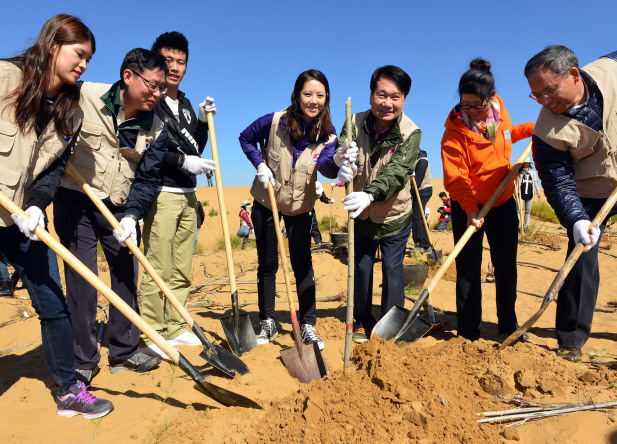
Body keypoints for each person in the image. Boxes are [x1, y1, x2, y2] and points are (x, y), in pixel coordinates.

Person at [0, 14, 113, 418]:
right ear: (53, 46)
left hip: (20, 220)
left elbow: (49, 173)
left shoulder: (72, 112)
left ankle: (69, 389)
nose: (84, 64)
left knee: (53, 302)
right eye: (78, 54)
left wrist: (35, 205)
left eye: (89, 59)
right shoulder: (5, 79)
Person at [524, 42, 617, 359]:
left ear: (575, 75)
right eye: (536, 95)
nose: (544, 100)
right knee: (580, 261)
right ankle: (571, 341)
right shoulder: (546, 131)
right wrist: (576, 219)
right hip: (590, 196)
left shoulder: (612, 70)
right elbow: (556, 180)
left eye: (549, 90)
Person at [53, 48, 169, 380]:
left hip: (119, 207)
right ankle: (83, 360)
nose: (157, 94)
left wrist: (132, 215)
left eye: (162, 88)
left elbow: (148, 176)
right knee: (82, 282)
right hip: (75, 199)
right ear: (128, 76)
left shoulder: (158, 124)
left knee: (126, 274)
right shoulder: (84, 94)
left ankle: (124, 351)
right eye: (153, 85)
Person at [239, 69, 341, 350]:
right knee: (268, 263)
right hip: (267, 201)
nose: (313, 100)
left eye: (320, 95)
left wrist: (340, 159)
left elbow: (327, 168)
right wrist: (259, 164)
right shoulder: (274, 122)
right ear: (296, 95)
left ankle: (308, 325)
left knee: (302, 265)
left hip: (301, 206)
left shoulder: (329, 135)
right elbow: (246, 138)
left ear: (326, 98)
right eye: (308, 94)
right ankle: (268, 320)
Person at [441, 58, 534, 341]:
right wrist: (470, 209)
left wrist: (530, 128)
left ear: (490, 99)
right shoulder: (453, 134)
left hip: (503, 203)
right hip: (470, 207)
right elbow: (456, 179)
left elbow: (508, 134)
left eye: (477, 105)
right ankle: (469, 332)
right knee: (468, 270)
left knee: (506, 267)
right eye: (465, 105)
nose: (471, 111)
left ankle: (508, 325)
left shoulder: (499, 112)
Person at [136, 32, 215, 359]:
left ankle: (176, 324)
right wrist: (183, 161)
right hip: (162, 193)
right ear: (156, 62)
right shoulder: (149, 103)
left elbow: (195, 148)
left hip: (188, 196)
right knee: (159, 264)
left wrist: (203, 122)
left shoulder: (183, 103)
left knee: (182, 265)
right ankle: (153, 330)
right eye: (168, 60)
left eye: (181, 62)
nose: (174, 67)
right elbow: (148, 150)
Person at [339, 65, 421, 343]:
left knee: (392, 269)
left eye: (395, 97)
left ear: (404, 99)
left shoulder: (411, 132)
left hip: (394, 215)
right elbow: (340, 148)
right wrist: (340, 158)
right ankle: (362, 319)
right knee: (361, 268)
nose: (387, 103)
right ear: (371, 95)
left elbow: (397, 173)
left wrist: (370, 194)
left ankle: (390, 324)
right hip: (361, 216)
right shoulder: (354, 121)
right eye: (381, 95)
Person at [411, 149, 432, 249]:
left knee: (417, 216)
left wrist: (410, 193)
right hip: (420, 190)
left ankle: (420, 243)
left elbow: (417, 181)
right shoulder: (417, 159)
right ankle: (425, 243)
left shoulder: (422, 160)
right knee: (420, 216)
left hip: (423, 190)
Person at [514, 157, 541, 231]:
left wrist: (538, 191)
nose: (526, 164)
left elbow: (535, 182)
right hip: (520, 194)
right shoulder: (518, 172)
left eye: (527, 163)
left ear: (529, 163)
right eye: (525, 163)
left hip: (529, 193)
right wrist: (515, 193)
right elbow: (516, 183)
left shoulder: (532, 172)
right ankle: (518, 226)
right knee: (518, 210)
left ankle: (526, 226)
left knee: (528, 211)